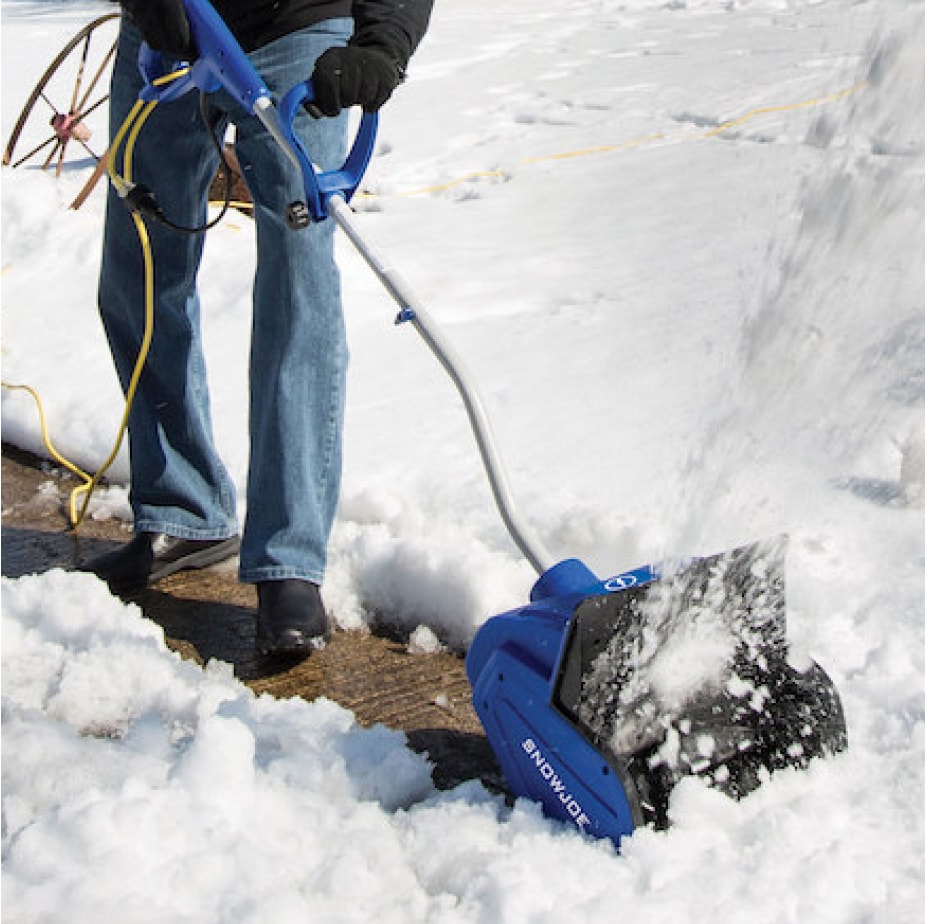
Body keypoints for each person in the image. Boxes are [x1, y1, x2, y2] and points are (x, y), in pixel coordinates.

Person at [82, 0, 433, 657]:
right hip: (167, 28)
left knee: (298, 284)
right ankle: (182, 510)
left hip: (297, 30)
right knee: (140, 270)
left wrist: (383, 44)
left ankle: (289, 561)